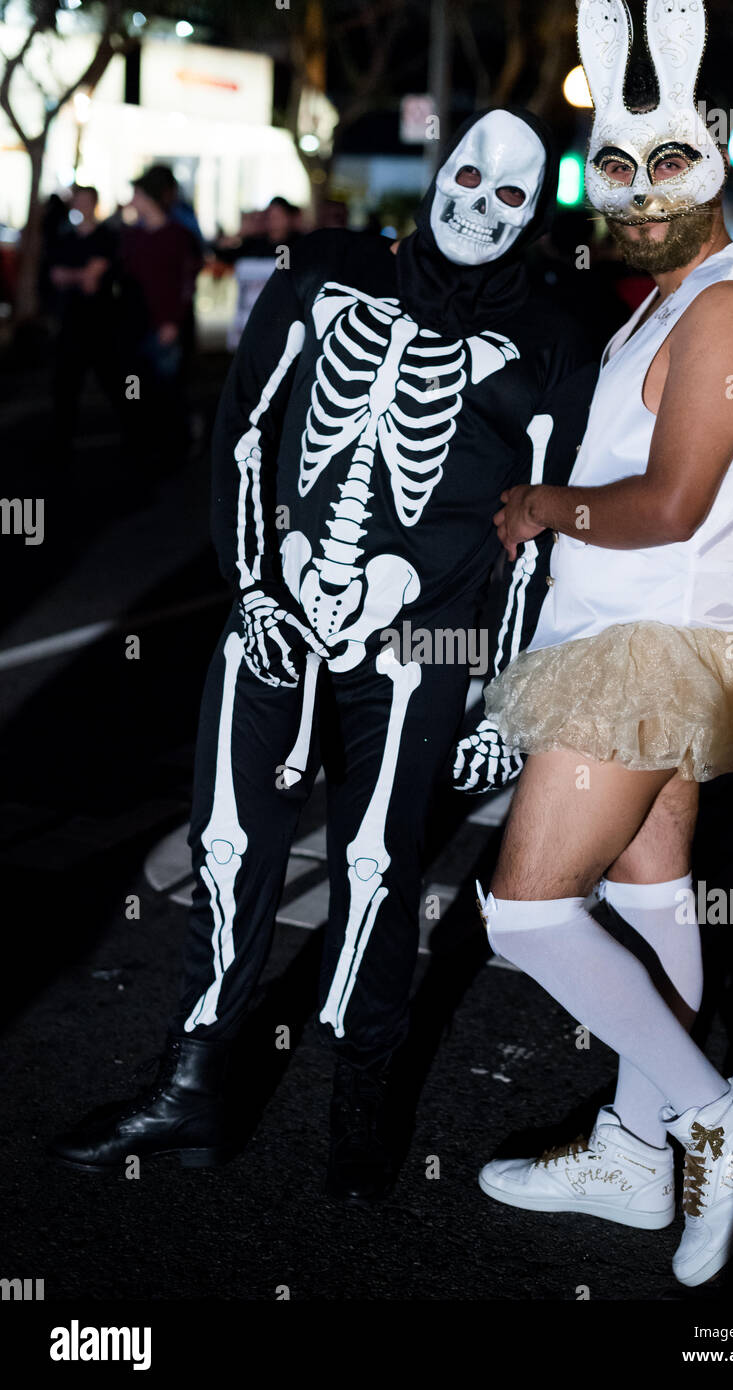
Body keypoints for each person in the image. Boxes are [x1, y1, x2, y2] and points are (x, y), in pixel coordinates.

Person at [49, 108, 596, 1203]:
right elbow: (247, 424)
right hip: (278, 609)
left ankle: (363, 1096)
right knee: (228, 842)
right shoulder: (330, 274)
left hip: (419, 638)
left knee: (381, 867)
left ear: (535, 215)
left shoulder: (545, 337)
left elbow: (541, 532)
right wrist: (255, 582)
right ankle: (195, 1085)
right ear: (439, 173)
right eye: (468, 176)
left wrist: (503, 697)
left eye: (509, 197)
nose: (478, 207)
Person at [473, 0, 733, 1289]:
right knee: (648, 888)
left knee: (524, 912)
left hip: (649, 634)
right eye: (614, 170)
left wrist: (544, 507)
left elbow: (674, 502)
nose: (635, 195)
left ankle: (719, 1115)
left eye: (665, 165)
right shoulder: (666, 301)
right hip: (628, 629)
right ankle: (638, 1151)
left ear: (718, 166)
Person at [116, 166, 203, 464]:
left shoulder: (178, 236)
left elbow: (186, 282)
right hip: (136, 325)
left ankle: (175, 446)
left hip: (166, 326)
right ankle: (143, 444)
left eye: (138, 194)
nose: (133, 200)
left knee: (168, 390)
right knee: (136, 389)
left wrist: (174, 321)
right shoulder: (132, 236)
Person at [45, 185, 119, 444]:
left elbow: (94, 276)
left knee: (120, 381)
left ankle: (134, 427)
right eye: (78, 201)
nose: (82, 206)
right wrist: (82, 275)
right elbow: (58, 276)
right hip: (70, 324)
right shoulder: (64, 239)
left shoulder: (107, 237)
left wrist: (74, 275)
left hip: (101, 324)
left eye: (87, 201)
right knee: (65, 385)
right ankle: (61, 439)